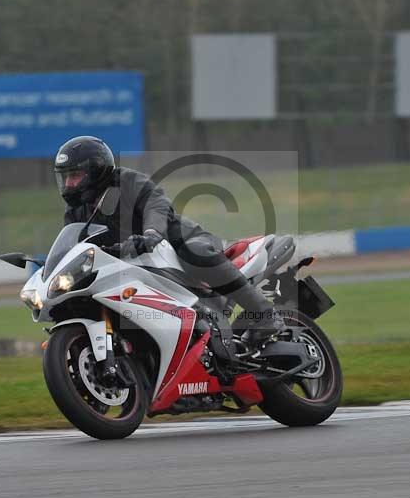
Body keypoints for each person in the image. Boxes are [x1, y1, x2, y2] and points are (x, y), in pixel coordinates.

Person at [54, 135, 284, 345]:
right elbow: (76, 246)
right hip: (132, 265)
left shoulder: (127, 182)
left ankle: (266, 314)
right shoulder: (77, 212)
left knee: (196, 253)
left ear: (96, 170)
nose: (69, 185)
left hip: (178, 242)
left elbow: (156, 204)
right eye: (65, 177)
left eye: (75, 176)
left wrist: (152, 233)